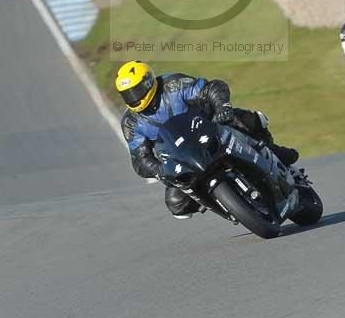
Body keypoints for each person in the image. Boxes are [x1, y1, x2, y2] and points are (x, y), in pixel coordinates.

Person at [116, 60, 299, 219]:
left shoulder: (173, 84)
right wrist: (160, 170)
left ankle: (273, 151)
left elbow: (211, 88)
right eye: (127, 94)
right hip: (181, 157)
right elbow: (140, 158)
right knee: (176, 204)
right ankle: (226, 204)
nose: (133, 98)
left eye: (136, 90)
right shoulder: (131, 123)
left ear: (148, 82)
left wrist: (222, 108)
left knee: (246, 120)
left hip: (210, 128)